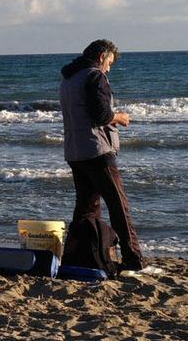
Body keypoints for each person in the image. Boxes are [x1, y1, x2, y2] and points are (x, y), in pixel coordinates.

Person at [58, 39, 145, 273]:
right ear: (101, 57)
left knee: (85, 208)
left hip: (75, 151)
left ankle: (77, 256)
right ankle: (133, 258)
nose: (108, 68)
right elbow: (102, 114)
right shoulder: (95, 76)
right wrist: (121, 117)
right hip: (97, 150)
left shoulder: (68, 78)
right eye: (109, 63)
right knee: (118, 205)